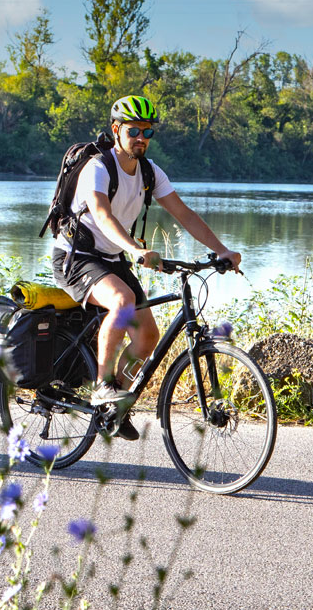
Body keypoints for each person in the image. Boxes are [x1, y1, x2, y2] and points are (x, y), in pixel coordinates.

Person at [51, 95, 242, 439]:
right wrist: (134, 249)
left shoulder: (151, 173)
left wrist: (223, 250)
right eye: (134, 130)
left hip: (111, 258)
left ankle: (115, 404)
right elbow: (102, 214)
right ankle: (103, 387)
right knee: (122, 301)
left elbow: (184, 215)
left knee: (148, 336)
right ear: (116, 130)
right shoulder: (98, 168)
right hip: (75, 257)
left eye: (148, 131)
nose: (141, 137)